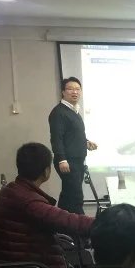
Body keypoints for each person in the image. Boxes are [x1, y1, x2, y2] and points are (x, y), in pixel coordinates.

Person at [0, 142, 93, 268]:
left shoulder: (11, 190)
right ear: (46, 171)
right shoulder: (28, 201)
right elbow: (66, 220)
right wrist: (106, 223)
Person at [49, 77, 97, 214]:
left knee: (68, 195)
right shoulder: (59, 112)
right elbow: (57, 138)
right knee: (75, 196)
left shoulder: (74, 111)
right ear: (63, 92)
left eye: (77, 89)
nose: (74, 92)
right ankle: (79, 224)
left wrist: (86, 142)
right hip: (68, 161)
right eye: (70, 89)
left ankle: (59, 222)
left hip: (76, 160)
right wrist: (62, 159)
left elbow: (71, 135)